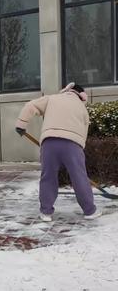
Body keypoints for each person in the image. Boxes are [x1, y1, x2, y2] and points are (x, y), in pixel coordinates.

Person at [15, 82, 101, 222]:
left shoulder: (52, 99)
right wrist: (78, 152)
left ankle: (46, 212)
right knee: (79, 177)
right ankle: (90, 211)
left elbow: (30, 106)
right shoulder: (82, 109)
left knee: (48, 177)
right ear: (82, 96)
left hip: (49, 143)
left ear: (67, 90)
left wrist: (21, 124)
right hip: (73, 145)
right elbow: (83, 134)